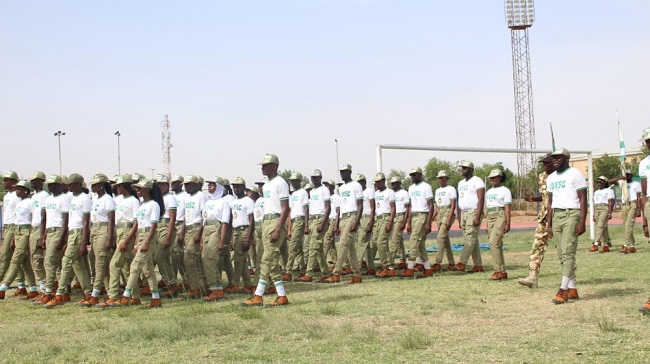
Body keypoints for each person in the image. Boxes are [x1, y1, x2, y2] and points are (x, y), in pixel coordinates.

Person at [241, 153, 291, 306]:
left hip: (275, 221)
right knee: (272, 261)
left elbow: (285, 208)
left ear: (274, 166)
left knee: (266, 259)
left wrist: (278, 229)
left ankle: (258, 295)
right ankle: (282, 296)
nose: (262, 168)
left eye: (265, 165)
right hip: (266, 221)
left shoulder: (280, 183)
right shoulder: (267, 184)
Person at [114, 179, 165, 308]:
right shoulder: (142, 205)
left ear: (147, 189)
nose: (137, 191)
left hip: (149, 237)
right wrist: (136, 243)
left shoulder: (154, 205)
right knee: (148, 270)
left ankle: (126, 296)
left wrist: (147, 242)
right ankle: (156, 298)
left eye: (139, 188)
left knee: (134, 266)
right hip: (141, 236)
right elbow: (137, 225)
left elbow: (153, 226)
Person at [45, 173, 93, 308]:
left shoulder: (85, 199)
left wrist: (84, 242)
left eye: (71, 184)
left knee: (66, 262)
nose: (68, 186)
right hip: (72, 234)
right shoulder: (73, 198)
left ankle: (60, 294)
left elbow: (85, 222)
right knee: (78, 265)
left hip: (78, 233)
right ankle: (88, 293)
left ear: (77, 184)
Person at [547, 148, 587, 305]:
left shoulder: (575, 174)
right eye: (554, 158)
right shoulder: (550, 178)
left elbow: (583, 199)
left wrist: (582, 221)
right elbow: (550, 202)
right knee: (561, 253)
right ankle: (572, 287)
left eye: (558, 157)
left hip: (572, 214)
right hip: (557, 215)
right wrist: (549, 224)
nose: (555, 160)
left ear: (566, 158)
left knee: (568, 251)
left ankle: (563, 290)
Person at [96, 174, 140, 308]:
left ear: (127, 186)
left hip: (127, 232)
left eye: (120, 185)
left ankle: (114, 296)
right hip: (119, 231)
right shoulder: (120, 200)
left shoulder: (134, 201)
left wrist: (127, 241)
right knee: (126, 267)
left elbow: (136, 223)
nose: (117, 188)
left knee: (114, 265)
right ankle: (135, 296)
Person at [321, 164, 364, 284]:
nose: (342, 174)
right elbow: (341, 207)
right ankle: (357, 275)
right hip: (343, 218)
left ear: (350, 172)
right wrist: (338, 223)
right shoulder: (342, 188)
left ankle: (336, 273)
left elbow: (360, 205)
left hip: (352, 216)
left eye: (344, 172)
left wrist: (356, 222)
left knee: (343, 244)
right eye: (341, 172)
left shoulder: (356, 185)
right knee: (350, 249)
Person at [78, 174, 115, 307]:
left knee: (100, 264)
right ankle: (110, 292)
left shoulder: (108, 199)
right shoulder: (95, 199)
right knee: (97, 263)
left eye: (95, 184)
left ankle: (94, 295)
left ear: (101, 185)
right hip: (95, 230)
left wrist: (110, 238)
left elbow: (111, 221)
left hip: (103, 230)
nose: (92, 187)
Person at [518, 154, 556, 288]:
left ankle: (569, 280)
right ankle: (532, 277)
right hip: (544, 217)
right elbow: (545, 196)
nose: (544, 165)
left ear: (555, 162)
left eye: (547, 163)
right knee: (537, 246)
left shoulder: (560, 176)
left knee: (565, 249)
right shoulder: (543, 176)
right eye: (543, 163)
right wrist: (534, 199)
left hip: (558, 216)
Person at [0, 180, 38, 299]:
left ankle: (3, 288)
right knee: (24, 263)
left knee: (15, 260)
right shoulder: (20, 203)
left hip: (26, 232)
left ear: (26, 190)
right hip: (17, 231)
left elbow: (34, 219)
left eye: (19, 189)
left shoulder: (30, 203)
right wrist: (13, 238)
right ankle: (32, 289)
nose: (17, 191)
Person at [296, 170, 331, 282]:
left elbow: (328, 208)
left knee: (313, 247)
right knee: (318, 249)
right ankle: (325, 272)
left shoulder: (324, 189)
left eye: (316, 177)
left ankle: (309, 273)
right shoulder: (312, 192)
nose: (314, 179)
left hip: (320, 219)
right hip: (312, 220)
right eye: (313, 178)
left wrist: (323, 223)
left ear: (320, 178)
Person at [201, 176, 231, 301]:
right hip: (206, 229)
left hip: (216, 229)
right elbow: (204, 221)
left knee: (210, 258)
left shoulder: (223, 202)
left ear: (219, 187)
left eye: (212, 185)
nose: (209, 187)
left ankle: (216, 289)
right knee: (204, 258)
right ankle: (217, 287)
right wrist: (202, 238)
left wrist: (222, 240)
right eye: (208, 185)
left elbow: (225, 222)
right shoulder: (208, 202)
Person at [402, 167, 434, 278]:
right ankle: (428, 269)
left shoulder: (426, 187)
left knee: (414, 239)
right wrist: (409, 222)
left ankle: (410, 268)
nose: (412, 177)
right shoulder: (410, 188)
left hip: (422, 215)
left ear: (420, 175)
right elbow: (410, 206)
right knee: (420, 244)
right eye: (411, 175)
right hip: (414, 216)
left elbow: (431, 205)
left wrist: (428, 222)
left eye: (414, 175)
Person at [454, 160, 485, 273]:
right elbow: (459, 200)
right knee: (473, 240)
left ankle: (462, 262)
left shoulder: (477, 181)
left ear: (471, 169)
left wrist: (477, 216)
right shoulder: (461, 183)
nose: (462, 170)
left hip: (473, 211)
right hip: (463, 212)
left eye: (465, 168)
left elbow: (481, 199)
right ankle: (478, 265)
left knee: (470, 238)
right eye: (462, 168)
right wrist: (459, 216)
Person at [183, 175, 207, 299]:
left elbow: (204, 216)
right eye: (185, 184)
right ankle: (197, 287)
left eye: (188, 184)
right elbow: (186, 217)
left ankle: (198, 287)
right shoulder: (187, 198)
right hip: (189, 229)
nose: (185, 187)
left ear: (194, 184)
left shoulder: (201, 196)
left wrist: (200, 233)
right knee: (192, 260)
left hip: (197, 228)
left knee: (190, 258)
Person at [485, 169, 512, 280]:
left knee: (493, 242)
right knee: (497, 244)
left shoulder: (505, 190)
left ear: (500, 178)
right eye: (491, 178)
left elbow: (507, 208)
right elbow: (487, 208)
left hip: (500, 215)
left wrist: (508, 223)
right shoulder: (489, 192)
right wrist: (487, 223)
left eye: (495, 177)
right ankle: (502, 271)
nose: (493, 179)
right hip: (490, 215)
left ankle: (498, 270)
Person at [229, 177, 255, 293]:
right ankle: (248, 285)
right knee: (243, 260)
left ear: (243, 188)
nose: (236, 188)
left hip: (244, 230)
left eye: (238, 186)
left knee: (238, 259)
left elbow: (251, 220)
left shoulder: (248, 201)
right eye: (234, 186)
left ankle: (234, 284)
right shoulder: (233, 202)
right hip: (236, 231)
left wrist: (248, 238)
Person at [284, 172, 309, 282]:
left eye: (294, 180)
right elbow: (290, 212)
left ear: (299, 181)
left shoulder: (303, 192)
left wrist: (306, 225)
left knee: (293, 246)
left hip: (300, 219)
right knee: (298, 248)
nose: (292, 183)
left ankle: (288, 272)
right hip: (293, 221)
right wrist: (289, 228)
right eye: (291, 181)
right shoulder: (292, 194)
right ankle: (303, 269)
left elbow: (306, 209)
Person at [610, 169, 641, 253]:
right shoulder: (622, 183)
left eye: (628, 175)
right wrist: (620, 178)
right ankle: (632, 245)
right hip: (624, 205)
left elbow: (638, 197)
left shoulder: (636, 184)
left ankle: (625, 245)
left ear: (631, 175)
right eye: (626, 175)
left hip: (632, 204)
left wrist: (639, 209)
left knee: (629, 224)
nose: (627, 176)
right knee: (626, 226)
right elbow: (610, 182)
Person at [372, 173, 396, 278]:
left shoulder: (390, 192)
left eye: (379, 181)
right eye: (376, 181)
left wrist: (390, 222)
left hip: (386, 218)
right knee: (378, 243)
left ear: (384, 181)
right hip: (378, 219)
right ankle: (389, 267)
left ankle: (385, 267)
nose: (377, 183)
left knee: (381, 243)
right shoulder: (376, 193)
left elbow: (393, 208)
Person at [29, 171, 49, 296]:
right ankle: (44, 286)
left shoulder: (44, 196)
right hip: (34, 228)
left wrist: (42, 235)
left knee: (37, 260)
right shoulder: (34, 196)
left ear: (41, 181)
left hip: (40, 229)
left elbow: (44, 217)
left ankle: (47, 286)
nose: (32, 182)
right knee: (34, 260)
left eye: (34, 180)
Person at [432, 170, 456, 272]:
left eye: (442, 178)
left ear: (446, 178)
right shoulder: (437, 191)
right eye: (439, 178)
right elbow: (436, 207)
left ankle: (438, 262)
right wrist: (432, 218)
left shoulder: (451, 189)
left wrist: (449, 219)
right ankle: (451, 263)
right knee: (445, 241)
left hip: (447, 212)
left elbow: (453, 205)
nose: (440, 180)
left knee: (440, 238)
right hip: (440, 213)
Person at [0, 171, 21, 286]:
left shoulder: (17, 196)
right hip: (7, 226)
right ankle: (21, 284)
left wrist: (14, 233)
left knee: (5, 255)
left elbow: (18, 214)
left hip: (14, 226)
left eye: (7, 180)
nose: (4, 182)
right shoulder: (6, 196)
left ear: (13, 181)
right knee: (15, 258)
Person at [355, 174, 376, 275]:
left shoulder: (369, 191)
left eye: (360, 182)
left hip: (367, 217)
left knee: (361, 242)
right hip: (360, 218)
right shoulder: (357, 192)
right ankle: (371, 267)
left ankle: (357, 267)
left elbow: (372, 208)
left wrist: (371, 222)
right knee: (366, 245)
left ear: (364, 182)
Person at [170, 175, 187, 287]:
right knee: (173, 255)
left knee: (178, 255)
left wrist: (182, 232)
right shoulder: (172, 196)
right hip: (172, 225)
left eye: (175, 183)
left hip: (181, 225)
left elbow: (187, 214)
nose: (173, 184)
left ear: (181, 184)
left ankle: (183, 280)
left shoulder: (185, 196)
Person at [389, 176, 410, 270]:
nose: (392, 185)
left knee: (394, 240)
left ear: (399, 183)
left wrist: (405, 222)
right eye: (391, 183)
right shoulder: (391, 193)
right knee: (399, 239)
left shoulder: (404, 193)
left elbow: (407, 208)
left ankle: (391, 262)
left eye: (394, 183)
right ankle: (402, 260)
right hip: (392, 216)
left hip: (400, 216)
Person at [590, 176, 614, 253]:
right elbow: (594, 203)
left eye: (601, 182)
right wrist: (594, 214)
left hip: (604, 208)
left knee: (600, 225)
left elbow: (610, 202)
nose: (599, 183)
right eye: (598, 182)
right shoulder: (596, 192)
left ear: (605, 183)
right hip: (597, 208)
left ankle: (596, 243)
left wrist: (610, 212)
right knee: (602, 227)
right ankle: (606, 244)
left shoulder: (608, 190)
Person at [323, 180, 340, 270]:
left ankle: (321, 260)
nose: (326, 187)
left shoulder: (336, 197)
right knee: (331, 243)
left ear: (332, 187)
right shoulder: (326, 197)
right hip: (327, 220)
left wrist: (336, 225)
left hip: (333, 220)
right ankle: (335, 262)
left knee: (327, 239)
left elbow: (338, 212)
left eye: (328, 185)